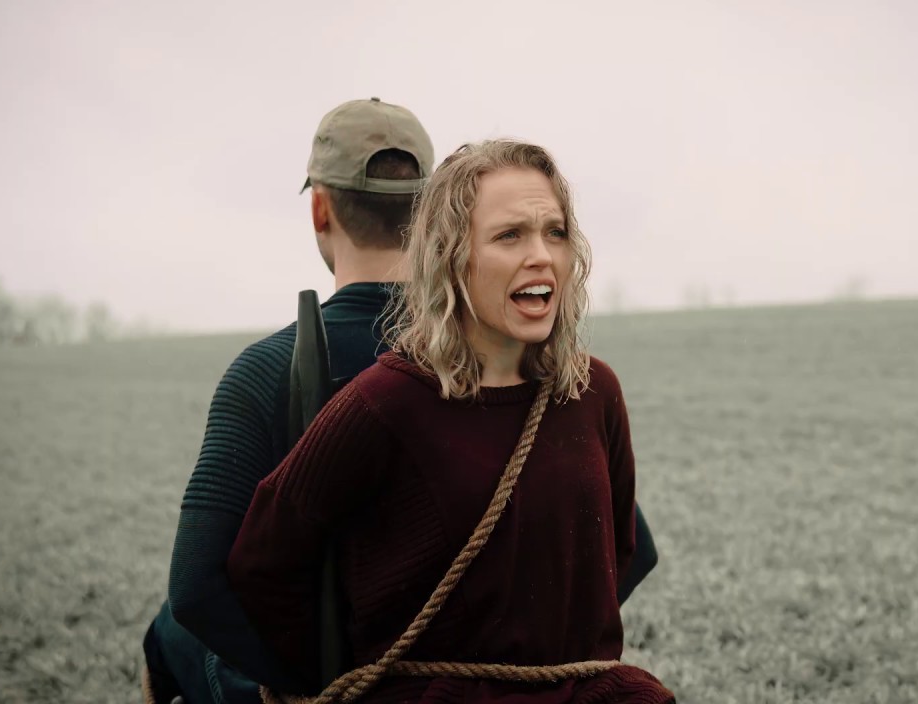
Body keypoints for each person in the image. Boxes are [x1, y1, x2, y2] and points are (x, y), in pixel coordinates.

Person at [140, 102, 660, 704]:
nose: (539, 254)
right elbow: (624, 553)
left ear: (319, 208)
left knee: (168, 634)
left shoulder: (266, 371)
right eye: (510, 233)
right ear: (436, 219)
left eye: (554, 232)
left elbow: (200, 589)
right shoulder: (391, 391)